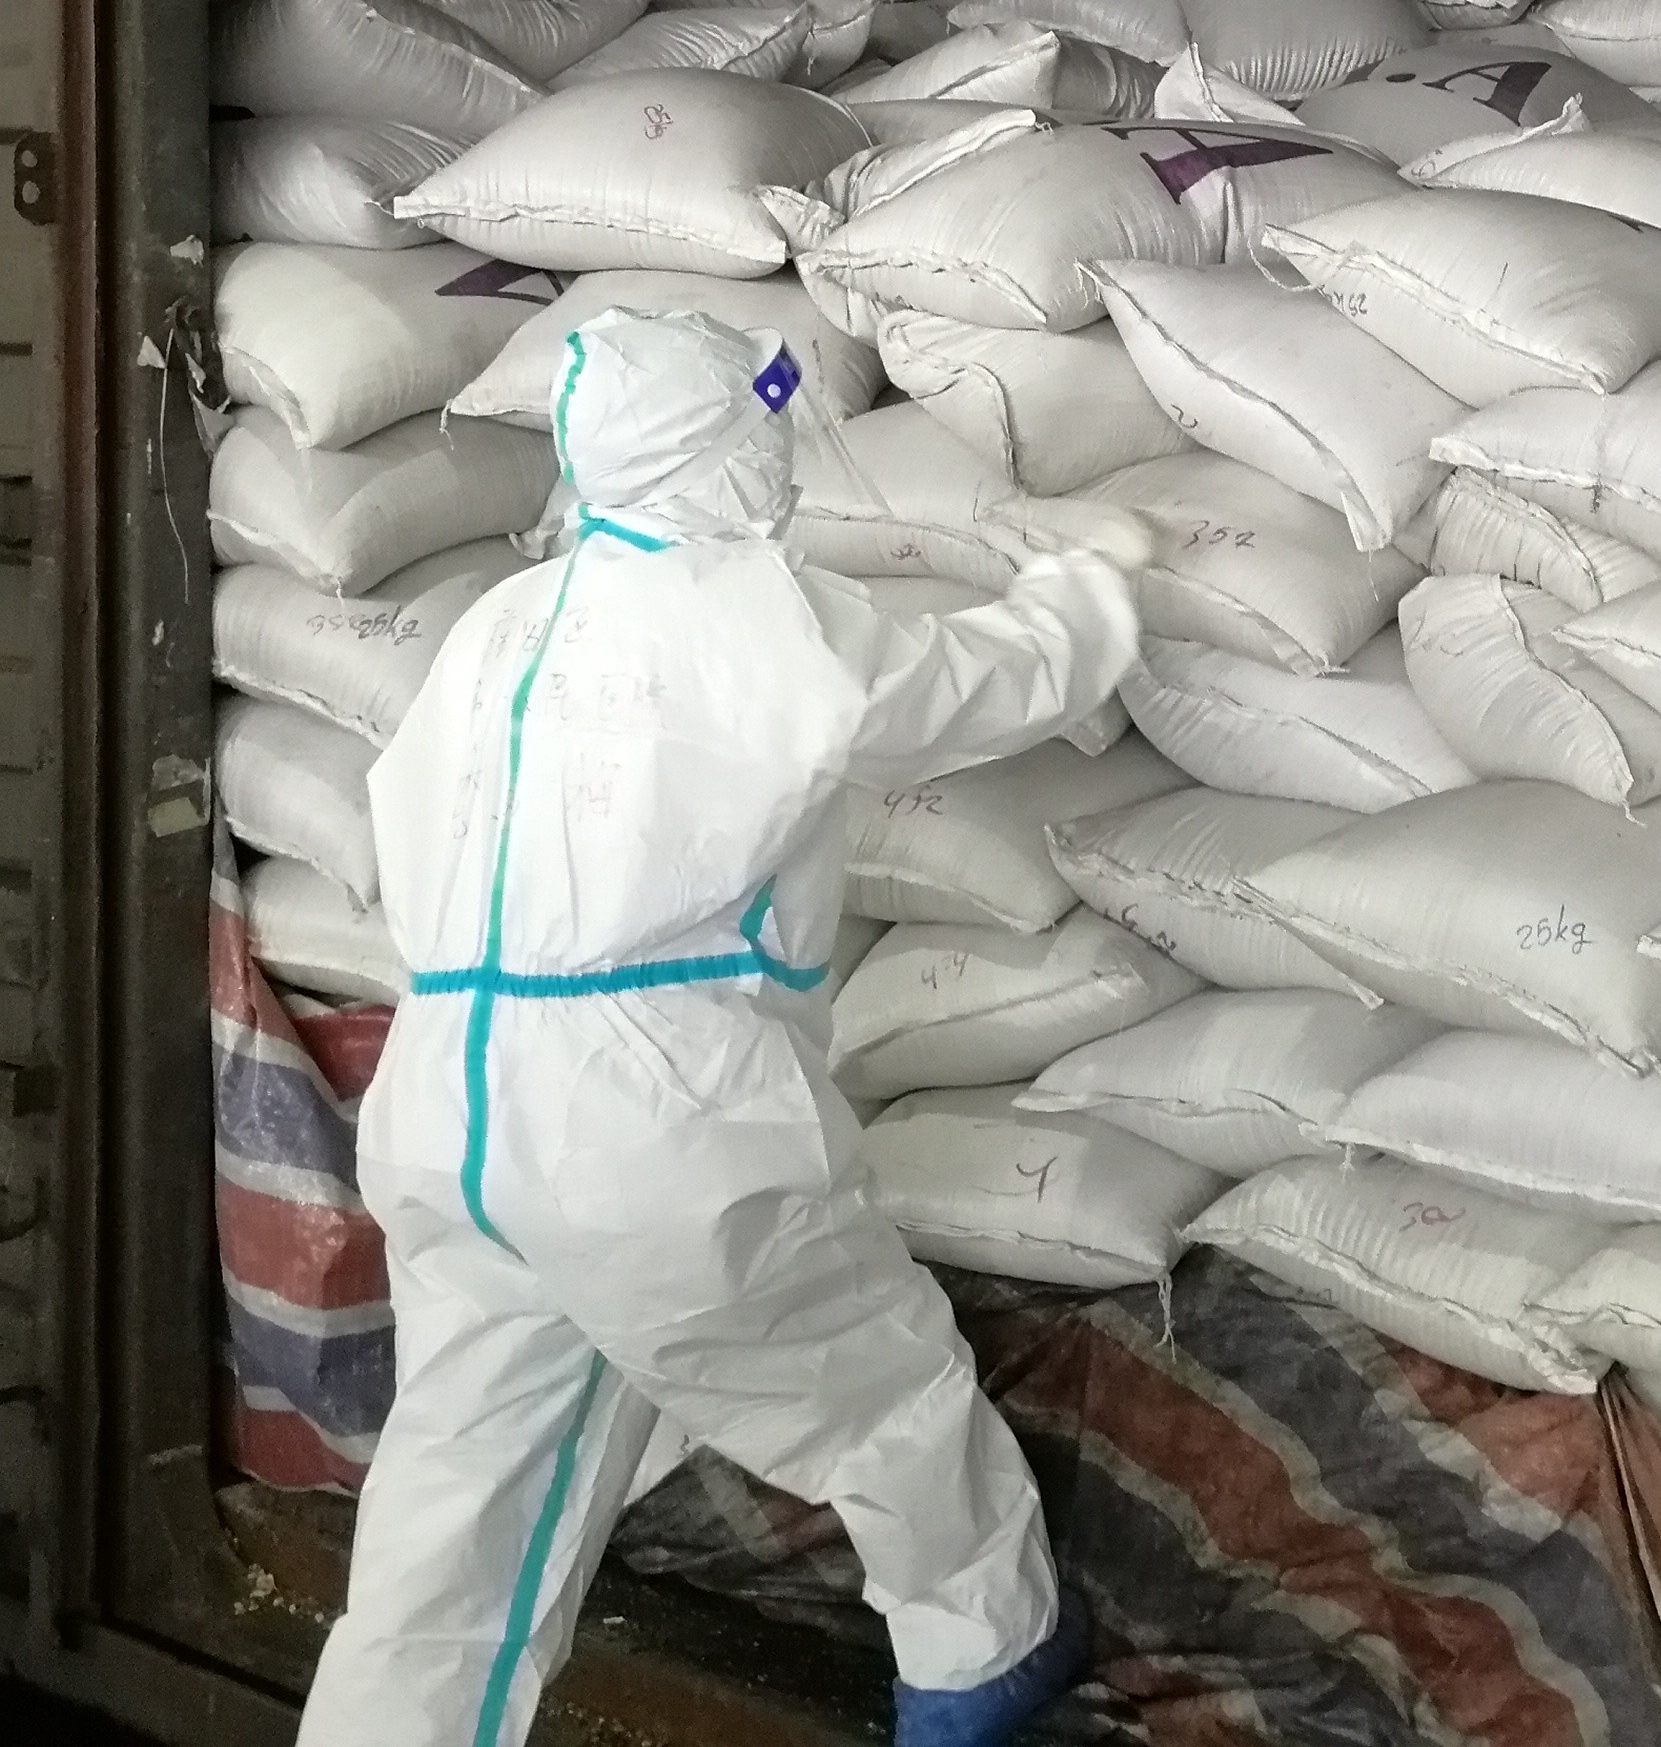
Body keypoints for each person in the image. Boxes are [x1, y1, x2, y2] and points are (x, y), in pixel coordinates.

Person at [297, 309, 1148, 1747]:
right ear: (721, 443)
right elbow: (956, 688)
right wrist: (1093, 596)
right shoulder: (746, 606)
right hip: (646, 1113)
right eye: (763, 423)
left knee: (459, 1508)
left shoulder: (499, 624)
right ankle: (980, 1660)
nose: (783, 453)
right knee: (875, 1386)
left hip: (448, 1105)